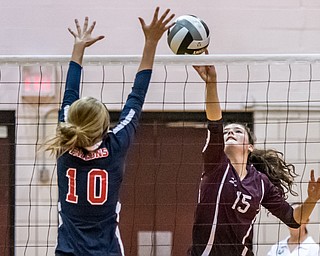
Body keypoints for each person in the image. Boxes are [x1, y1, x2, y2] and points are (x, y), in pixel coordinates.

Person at [46, 8, 175, 256]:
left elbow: (69, 93)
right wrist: (151, 43)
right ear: (105, 127)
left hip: (68, 250)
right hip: (107, 251)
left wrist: (78, 48)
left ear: (71, 119)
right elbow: (136, 98)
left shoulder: (64, 139)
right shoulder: (115, 146)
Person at [187, 52, 320, 256]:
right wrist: (211, 83)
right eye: (227, 132)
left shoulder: (260, 183)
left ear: (249, 146)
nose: (230, 132)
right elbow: (214, 122)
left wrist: (312, 199)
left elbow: (293, 218)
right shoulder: (216, 164)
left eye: (237, 131)